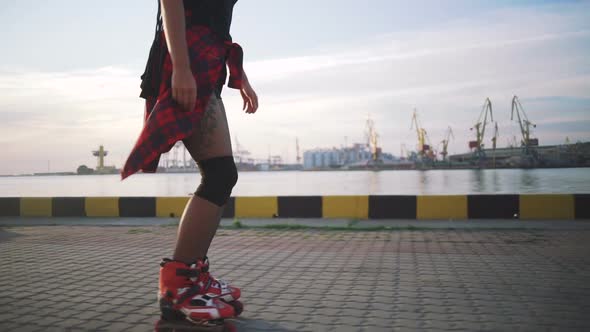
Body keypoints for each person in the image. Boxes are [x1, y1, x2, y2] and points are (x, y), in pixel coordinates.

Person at [120, 0, 258, 323]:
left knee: (221, 175)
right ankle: (177, 286)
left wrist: (243, 78)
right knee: (220, 174)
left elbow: (218, 20)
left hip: (207, 63)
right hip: (186, 61)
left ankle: (191, 277)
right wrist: (180, 66)